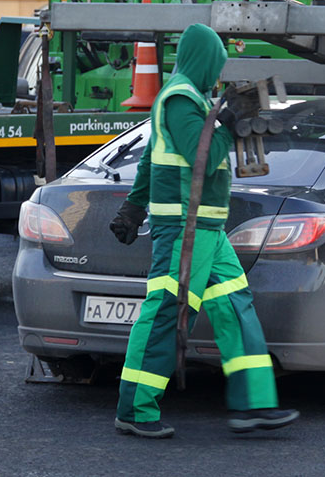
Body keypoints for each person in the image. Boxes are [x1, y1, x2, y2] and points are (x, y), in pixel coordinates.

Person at [108, 23, 298, 438]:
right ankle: (135, 410)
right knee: (165, 314)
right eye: (216, 64)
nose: (218, 73)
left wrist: (133, 208)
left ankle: (255, 405)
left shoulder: (191, 99)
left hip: (206, 229)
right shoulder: (180, 99)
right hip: (183, 230)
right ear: (204, 61)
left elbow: (149, 162)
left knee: (235, 309)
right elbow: (203, 157)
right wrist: (226, 124)